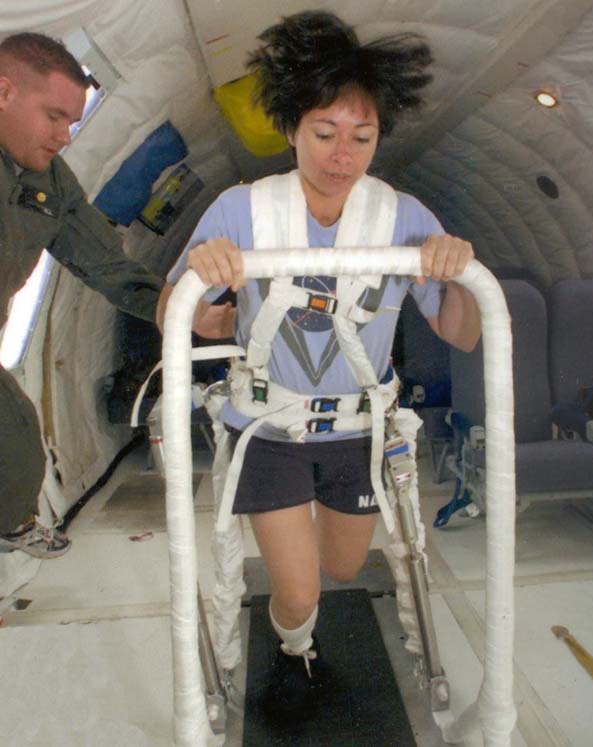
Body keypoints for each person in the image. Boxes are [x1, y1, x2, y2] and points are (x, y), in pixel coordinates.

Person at [159, 10, 481, 715]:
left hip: (357, 433)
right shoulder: (238, 211)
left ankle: (301, 588)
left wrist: (457, 274)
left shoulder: (402, 217)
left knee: (341, 565)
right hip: (269, 427)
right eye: (324, 133)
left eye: (361, 138)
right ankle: (293, 643)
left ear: (378, 139)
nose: (343, 154)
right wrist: (210, 282)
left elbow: (460, 333)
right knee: (300, 589)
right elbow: (181, 320)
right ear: (290, 129)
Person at [0, 32, 167, 558]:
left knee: (20, 440)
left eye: (73, 122)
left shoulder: (50, 181)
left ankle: (14, 525)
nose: (65, 135)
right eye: (54, 117)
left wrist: (177, 309)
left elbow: (105, 263)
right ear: (3, 92)